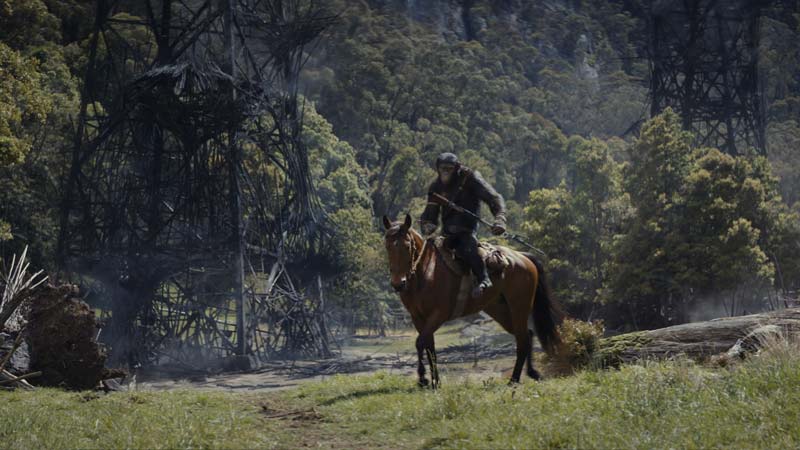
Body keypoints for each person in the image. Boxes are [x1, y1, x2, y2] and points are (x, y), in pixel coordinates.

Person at [420, 152, 507, 297]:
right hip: (447, 233)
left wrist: (500, 219)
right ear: (437, 169)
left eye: (449, 168)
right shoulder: (435, 187)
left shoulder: (469, 179)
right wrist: (427, 226)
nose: (446, 172)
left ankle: (483, 279)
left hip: (467, 230)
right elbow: (430, 215)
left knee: (466, 248)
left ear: (457, 168)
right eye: (443, 169)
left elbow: (494, 198)